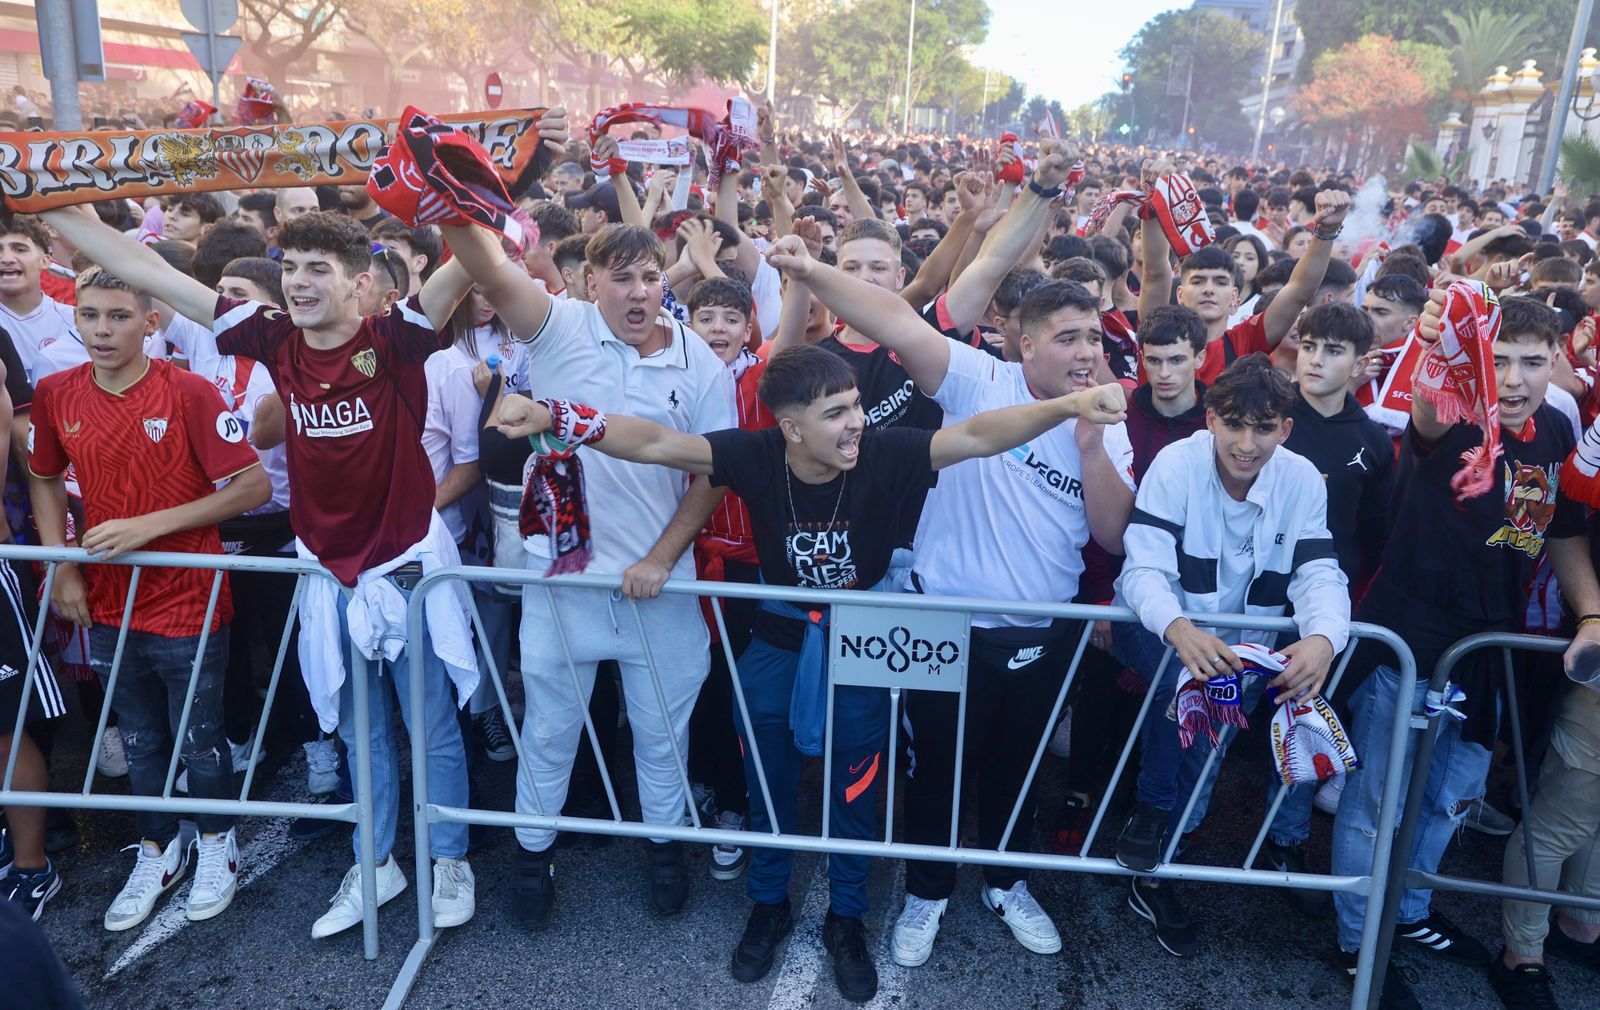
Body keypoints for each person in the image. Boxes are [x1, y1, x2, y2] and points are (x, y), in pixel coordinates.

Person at [493, 344, 1128, 1002]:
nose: (857, 423)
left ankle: (847, 917)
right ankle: (768, 903)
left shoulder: (884, 451)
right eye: (836, 414)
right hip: (779, 635)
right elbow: (655, 442)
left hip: (862, 637)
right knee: (769, 784)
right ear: (791, 428)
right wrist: (558, 416)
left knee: (855, 786)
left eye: (856, 405)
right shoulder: (756, 453)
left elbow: (977, 435)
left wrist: (1069, 405)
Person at [40, 188, 510, 940]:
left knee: (432, 731)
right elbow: (150, 271)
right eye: (289, 266)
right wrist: (53, 204)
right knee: (359, 736)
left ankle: (450, 859)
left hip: (406, 568)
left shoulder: (397, 336)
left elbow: (471, 260)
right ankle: (375, 861)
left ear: (360, 281)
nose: (297, 282)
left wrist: (457, 190)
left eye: (317, 269)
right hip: (327, 574)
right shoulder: (271, 335)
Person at [769, 228, 1138, 965]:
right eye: (1067, 337)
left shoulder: (1106, 417)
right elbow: (892, 320)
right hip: (944, 623)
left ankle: (1006, 883)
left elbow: (1113, 532)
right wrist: (809, 269)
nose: (1085, 352)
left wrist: (1093, 446)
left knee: (1018, 768)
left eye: (1093, 337)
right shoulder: (979, 380)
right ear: (1024, 345)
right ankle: (927, 891)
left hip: (1042, 630)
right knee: (935, 767)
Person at [1329, 294, 1600, 1010]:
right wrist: (1432, 343)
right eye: (1499, 360)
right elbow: (1424, 411)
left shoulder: (1555, 432)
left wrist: (1593, 613)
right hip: (1411, 638)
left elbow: (1562, 531)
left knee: (1450, 797)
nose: (1512, 379)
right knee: (1378, 800)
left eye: (1532, 362)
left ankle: (1408, 914)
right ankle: (1357, 943)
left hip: (1487, 649)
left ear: (1557, 362)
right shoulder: (1452, 415)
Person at [27, 266, 271, 931]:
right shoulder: (55, 393)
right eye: (89, 316)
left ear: (151, 323)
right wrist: (58, 563)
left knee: (201, 736)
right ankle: (158, 849)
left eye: (118, 316)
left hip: (189, 594)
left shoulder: (188, 390)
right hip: (107, 598)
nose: (102, 330)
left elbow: (253, 487)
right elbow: (43, 476)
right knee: (137, 736)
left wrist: (148, 526)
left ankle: (218, 843)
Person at [1112, 353, 1350, 958]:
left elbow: (1320, 572)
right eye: (1235, 425)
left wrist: (1324, 637)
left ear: (1285, 429)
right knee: (1185, 688)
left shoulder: (1301, 477)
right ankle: (1152, 817)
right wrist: (1179, 629)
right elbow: (1143, 570)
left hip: (1243, 649)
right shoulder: (1176, 462)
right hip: (1157, 626)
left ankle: (1164, 858)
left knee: (1207, 747)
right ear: (1211, 419)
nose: (1247, 444)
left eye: (1264, 428)